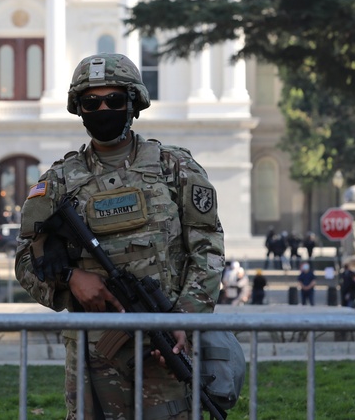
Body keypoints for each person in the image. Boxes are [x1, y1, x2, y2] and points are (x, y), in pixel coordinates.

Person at [14, 53, 225, 420]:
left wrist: (184, 319)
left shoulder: (174, 167)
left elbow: (208, 249)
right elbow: (25, 260)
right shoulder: (59, 181)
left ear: (134, 104)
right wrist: (70, 280)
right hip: (94, 353)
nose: (104, 108)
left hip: (166, 343)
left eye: (115, 100)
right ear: (79, 109)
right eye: (92, 102)